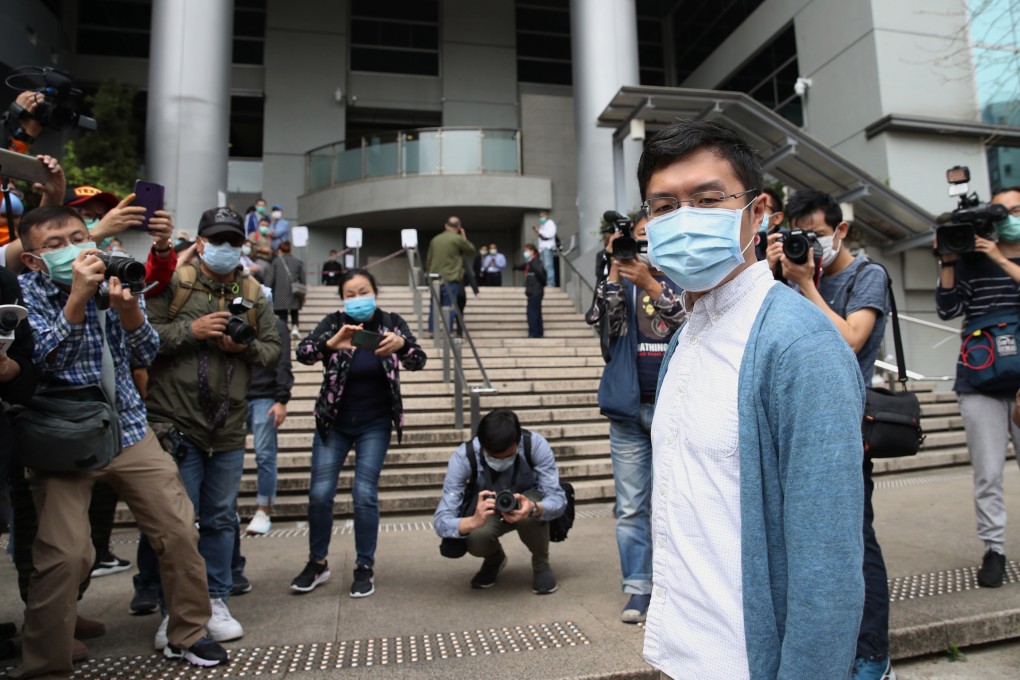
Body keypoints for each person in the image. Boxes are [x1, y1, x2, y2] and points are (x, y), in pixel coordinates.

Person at [638, 119, 865, 680]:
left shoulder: (800, 345)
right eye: (664, 207)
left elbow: (828, 563)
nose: (684, 219)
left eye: (708, 199)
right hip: (677, 651)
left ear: (759, 211)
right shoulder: (684, 339)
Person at [12, 205, 228, 675]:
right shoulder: (22, 295)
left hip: (129, 427)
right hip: (62, 437)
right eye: (55, 245)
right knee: (65, 554)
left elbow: (147, 351)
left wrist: (130, 310)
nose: (72, 249)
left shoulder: (113, 273)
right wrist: (76, 298)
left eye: (77, 236)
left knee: (177, 528)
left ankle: (188, 632)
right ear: (33, 260)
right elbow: (43, 364)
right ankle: (45, 660)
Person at [141, 206, 281, 646]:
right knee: (177, 523)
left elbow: (273, 349)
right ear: (200, 242)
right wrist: (193, 330)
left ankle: (216, 599)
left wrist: (242, 346)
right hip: (175, 421)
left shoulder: (255, 292)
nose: (225, 249)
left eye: (232, 241)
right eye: (216, 240)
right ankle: (176, 610)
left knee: (221, 519)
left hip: (228, 426)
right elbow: (143, 337)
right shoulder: (174, 284)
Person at [768, 189, 893, 680]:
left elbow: (852, 338)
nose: (807, 245)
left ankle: (871, 654)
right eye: (796, 236)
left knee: (855, 541)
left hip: (847, 427)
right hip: (795, 424)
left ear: (840, 231)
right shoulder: (788, 275)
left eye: (814, 235)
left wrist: (805, 285)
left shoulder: (867, 276)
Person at [291, 268, 426, 597]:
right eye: (349, 294)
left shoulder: (391, 322)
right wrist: (330, 344)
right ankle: (318, 562)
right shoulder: (334, 322)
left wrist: (402, 344)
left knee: (364, 495)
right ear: (342, 298)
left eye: (362, 291)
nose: (356, 298)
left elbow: (418, 359)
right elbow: (303, 353)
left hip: (375, 422)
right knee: (320, 494)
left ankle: (364, 566)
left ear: (375, 291)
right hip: (333, 422)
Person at [587, 213, 685, 624]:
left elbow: (692, 324)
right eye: (635, 238)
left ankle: (680, 587)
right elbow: (603, 325)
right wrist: (615, 269)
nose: (640, 245)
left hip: (675, 408)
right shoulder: (617, 279)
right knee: (630, 508)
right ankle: (638, 588)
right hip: (628, 410)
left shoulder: (686, 275)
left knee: (680, 504)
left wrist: (650, 283)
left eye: (648, 237)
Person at [936, 185, 1020, 589]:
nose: (1008, 218)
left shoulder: (1004, 257)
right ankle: (994, 549)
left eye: (1016, 210)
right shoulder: (969, 259)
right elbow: (948, 309)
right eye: (1002, 212)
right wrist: (949, 259)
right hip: (978, 379)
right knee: (987, 474)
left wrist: (1000, 258)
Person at [434, 408, 566, 593]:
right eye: (494, 457)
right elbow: (441, 520)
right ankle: (494, 559)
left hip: (528, 501)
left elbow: (558, 499)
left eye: (508, 456)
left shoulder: (534, 445)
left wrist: (534, 508)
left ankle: (541, 564)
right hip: (488, 509)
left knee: (530, 514)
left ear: (517, 441)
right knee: (476, 535)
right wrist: (472, 521)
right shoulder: (465, 456)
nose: (501, 461)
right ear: (482, 444)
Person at [244, 315, 294, 535]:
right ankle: (224, 508)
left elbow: (283, 361)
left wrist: (281, 398)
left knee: (265, 455)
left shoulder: (274, 323)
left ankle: (263, 509)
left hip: (264, 395)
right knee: (227, 456)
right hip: (234, 396)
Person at [425, 216, 476, 335]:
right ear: (458, 227)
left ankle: (432, 331)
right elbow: (471, 251)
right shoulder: (458, 239)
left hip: (435, 278)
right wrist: (463, 236)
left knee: (434, 306)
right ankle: (447, 331)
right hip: (451, 278)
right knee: (450, 306)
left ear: (446, 226)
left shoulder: (435, 239)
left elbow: (428, 260)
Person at [265, 240, 305, 338]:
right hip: (294, 291)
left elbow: (270, 279)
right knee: (294, 310)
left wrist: (267, 290)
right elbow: (302, 279)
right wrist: (303, 294)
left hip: (279, 292)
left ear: (279, 251)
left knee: (282, 313)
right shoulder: (298, 262)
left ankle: (285, 330)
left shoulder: (276, 262)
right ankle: (295, 327)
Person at [514, 244, 545, 338]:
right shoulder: (532, 262)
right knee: (536, 312)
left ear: (532, 251)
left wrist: (543, 282)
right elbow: (524, 266)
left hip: (535, 290)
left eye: (526, 250)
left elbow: (539, 273)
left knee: (532, 312)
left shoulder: (534, 262)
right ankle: (538, 332)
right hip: (535, 290)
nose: (525, 253)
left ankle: (534, 333)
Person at [532, 210, 557, 286]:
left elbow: (550, 234)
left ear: (547, 216)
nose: (541, 218)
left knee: (548, 265)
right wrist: (539, 250)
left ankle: (550, 283)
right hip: (542, 248)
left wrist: (540, 231)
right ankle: (544, 282)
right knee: (543, 266)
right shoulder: (542, 225)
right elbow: (541, 238)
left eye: (542, 216)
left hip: (548, 247)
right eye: (540, 217)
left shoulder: (550, 223)